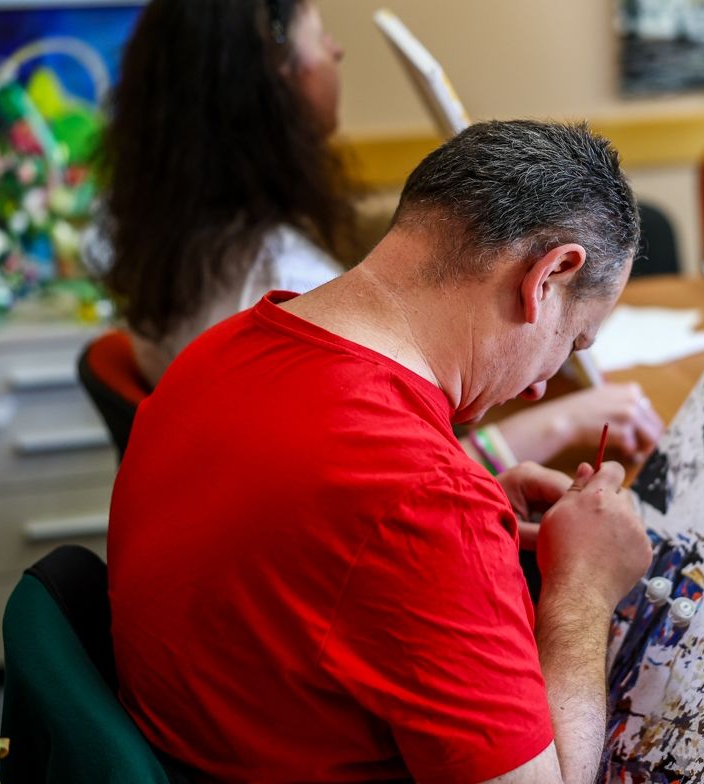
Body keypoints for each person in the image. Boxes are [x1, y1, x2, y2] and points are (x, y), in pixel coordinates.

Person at [109, 119, 654, 784]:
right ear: (549, 276)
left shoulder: (220, 349)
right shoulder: (425, 504)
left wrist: (469, 512)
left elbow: (324, 518)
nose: (542, 385)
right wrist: (585, 588)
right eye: (572, 343)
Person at [95, 0, 662, 465]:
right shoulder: (279, 287)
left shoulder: (184, 234)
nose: (336, 50)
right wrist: (559, 423)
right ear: (269, 83)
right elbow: (383, 469)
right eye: (320, 38)